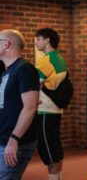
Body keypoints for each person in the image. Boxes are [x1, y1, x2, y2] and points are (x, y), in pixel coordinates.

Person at [0, 29, 40, 180]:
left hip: (16, 141)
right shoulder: (7, 72)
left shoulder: (24, 68)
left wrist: (14, 139)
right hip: (4, 138)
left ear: (6, 44)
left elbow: (30, 107)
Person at [35, 28, 68, 180]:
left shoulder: (46, 60)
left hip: (45, 110)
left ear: (47, 40)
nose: (36, 42)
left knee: (48, 150)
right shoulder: (59, 58)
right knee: (55, 148)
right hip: (54, 109)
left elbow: (32, 84)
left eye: (38, 39)